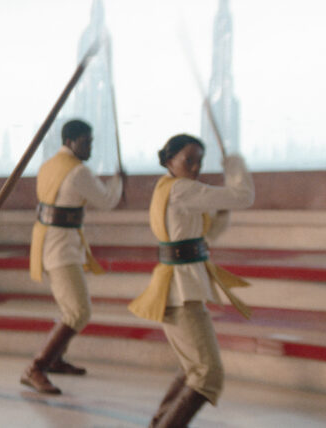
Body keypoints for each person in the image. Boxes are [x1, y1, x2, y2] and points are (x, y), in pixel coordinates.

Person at [128, 134, 254, 427]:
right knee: (208, 374)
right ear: (169, 160)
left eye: (200, 161)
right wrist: (235, 165)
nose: (196, 167)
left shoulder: (167, 187)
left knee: (192, 369)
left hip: (182, 287)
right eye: (189, 160)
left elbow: (205, 235)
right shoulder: (182, 190)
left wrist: (223, 204)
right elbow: (244, 196)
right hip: (181, 291)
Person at [22, 119, 123, 394]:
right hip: (62, 249)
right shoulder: (78, 172)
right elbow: (107, 201)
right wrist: (118, 181)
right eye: (86, 142)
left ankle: (55, 359)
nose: (90, 147)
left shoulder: (48, 166)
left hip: (47, 242)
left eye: (91, 142)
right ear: (70, 142)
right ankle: (37, 367)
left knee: (71, 309)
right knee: (79, 311)